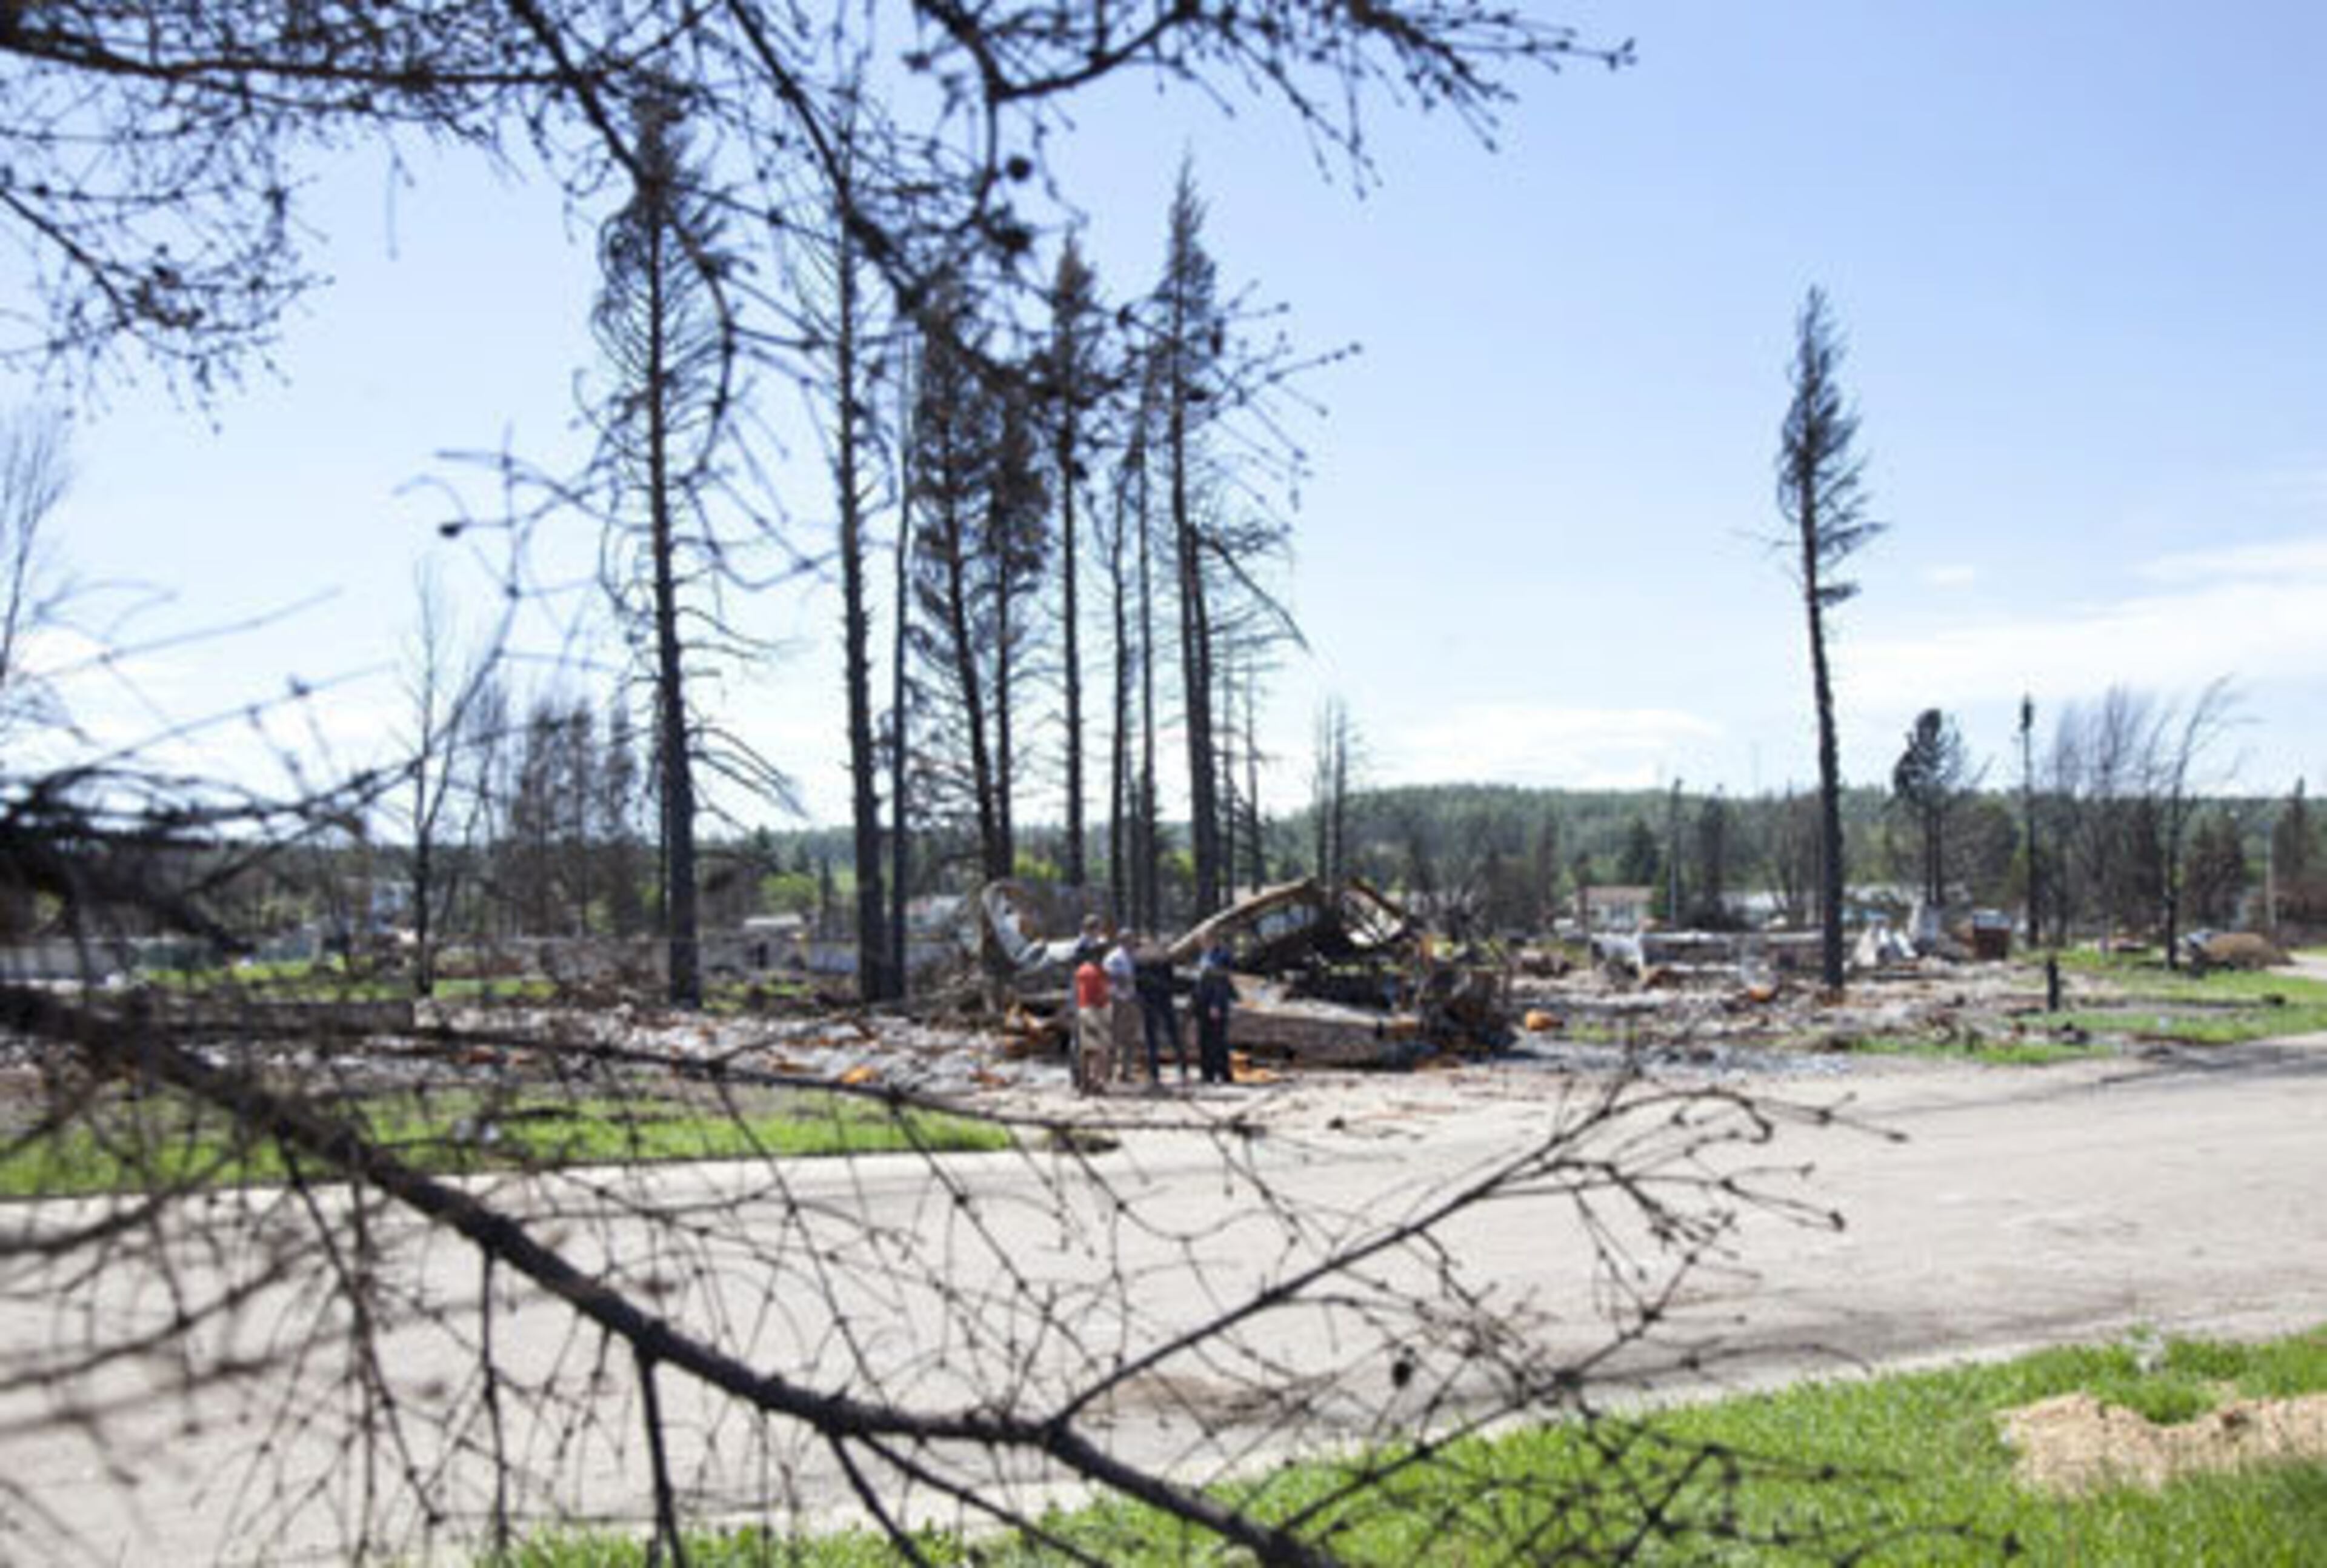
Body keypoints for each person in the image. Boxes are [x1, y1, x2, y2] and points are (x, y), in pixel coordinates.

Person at [1133, 937, 1187, 1084]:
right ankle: (1159, 1073)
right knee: (1159, 1038)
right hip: (1156, 1001)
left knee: (1165, 1037)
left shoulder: (1157, 960)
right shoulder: (1147, 960)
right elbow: (1139, 983)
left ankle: (1176, 1071)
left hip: (1158, 1000)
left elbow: (1170, 980)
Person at [1193, 943, 1236, 1085]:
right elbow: (1199, 982)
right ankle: (1207, 1074)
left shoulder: (1221, 956)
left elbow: (1221, 983)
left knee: (1218, 1041)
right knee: (1204, 1040)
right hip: (1202, 1006)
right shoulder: (1202, 957)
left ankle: (1224, 1073)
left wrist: (1216, 1004)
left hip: (1215, 1006)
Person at [1071, 943, 1112, 1094]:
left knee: (1087, 1050)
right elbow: (1100, 994)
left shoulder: (1082, 970)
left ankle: (1085, 1082)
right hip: (1095, 1011)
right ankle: (1095, 1083)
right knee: (1099, 1050)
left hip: (1084, 1009)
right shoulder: (1095, 972)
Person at [1104, 930, 1140, 1085]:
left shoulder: (1135, 956)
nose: (1132, 943)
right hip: (1117, 1000)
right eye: (1129, 940)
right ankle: (1108, 1072)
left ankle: (1126, 1072)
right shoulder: (1114, 957)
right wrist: (1122, 979)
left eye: (1133, 940)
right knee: (1113, 1037)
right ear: (1122, 941)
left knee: (1130, 1038)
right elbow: (1107, 974)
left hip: (1132, 1000)